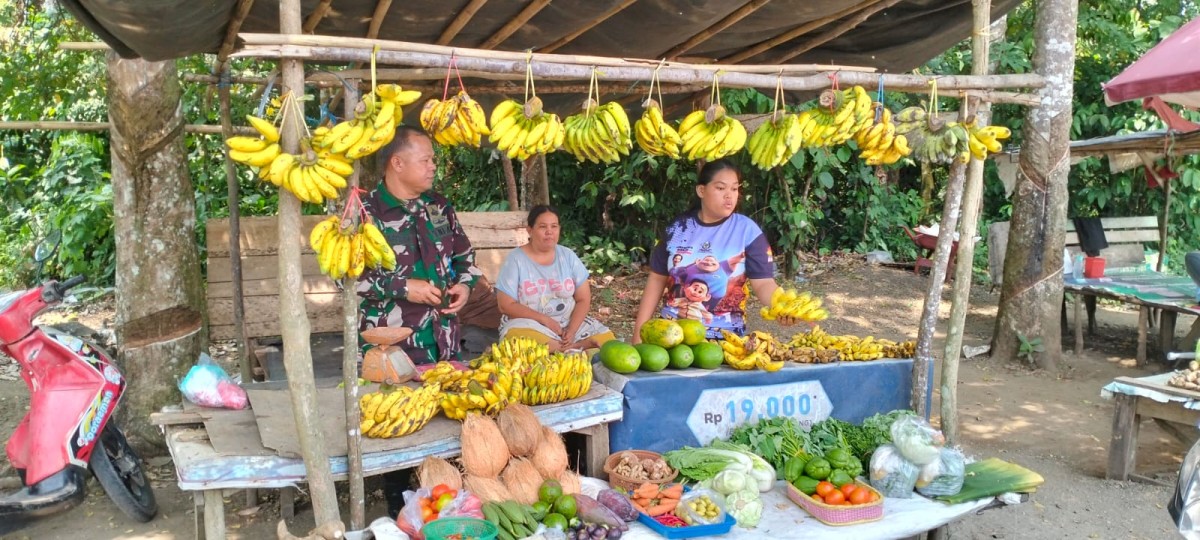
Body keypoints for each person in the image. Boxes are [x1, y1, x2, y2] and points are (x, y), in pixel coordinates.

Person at [355, 125, 482, 518]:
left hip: (442, 336)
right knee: (397, 420)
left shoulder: (438, 206)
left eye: (432, 160)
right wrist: (401, 286)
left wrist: (463, 286)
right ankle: (396, 502)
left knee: (445, 415)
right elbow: (347, 276)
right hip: (391, 340)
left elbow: (464, 257)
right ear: (397, 162)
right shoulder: (364, 211)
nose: (433, 167)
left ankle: (445, 494)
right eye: (425, 159)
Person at [633, 159, 794, 342]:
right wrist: (638, 336)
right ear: (701, 190)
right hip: (670, 333)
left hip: (724, 337)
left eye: (734, 189)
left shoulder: (747, 231)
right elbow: (656, 279)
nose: (729, 196)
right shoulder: (679, 228)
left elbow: (764, 283)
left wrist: (781, 306)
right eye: (720, 188)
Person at [495, 205, 615, 352]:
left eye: (554, 226)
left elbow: (583, 299)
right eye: (542, 227)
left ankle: (566, 348)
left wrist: (571, 330)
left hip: (568, 323)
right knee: (516, 339)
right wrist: (544, 319)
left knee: (608, 341)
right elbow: (505, 305)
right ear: (530, 230)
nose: (549, 232)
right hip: (530, 324)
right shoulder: (516, 259)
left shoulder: (568, 256)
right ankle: (576, 349)